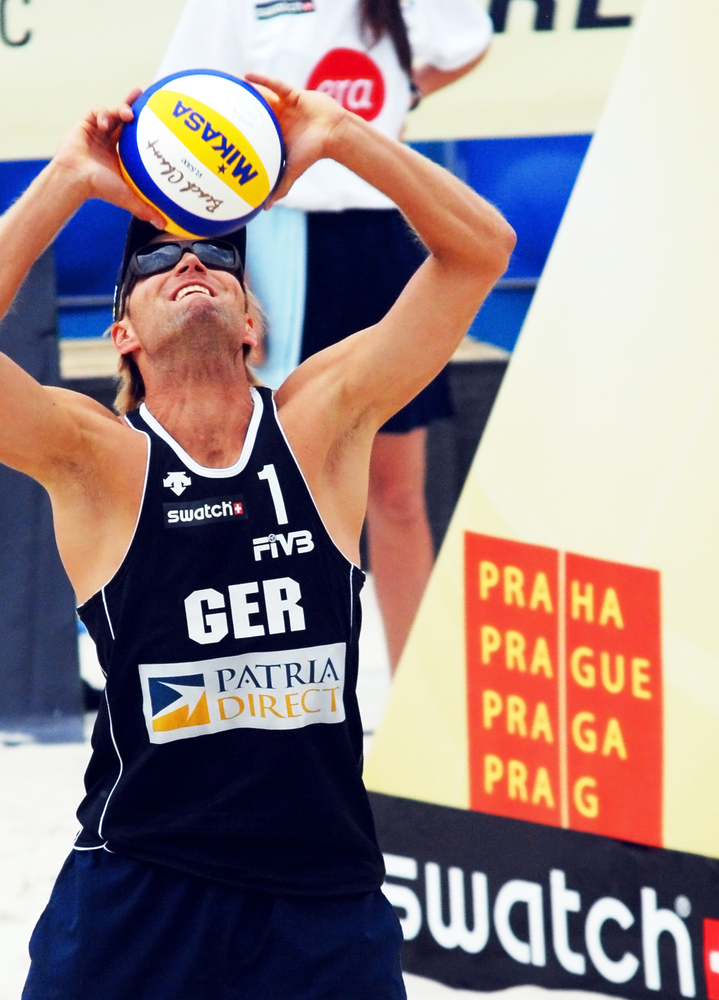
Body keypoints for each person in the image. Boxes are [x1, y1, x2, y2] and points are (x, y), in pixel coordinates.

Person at [0, 72, 513, 1000]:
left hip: (322, 898)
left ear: (253, 326)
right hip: (141, 888)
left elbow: (480, 252)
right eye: (155, 265)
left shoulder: (321, 426)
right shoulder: (98, 460)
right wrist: (69, 176)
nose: (189, 266)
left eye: (218, 261)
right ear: (123, 336)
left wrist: (339, 134)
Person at [158, 0, 493, 672]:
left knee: (397, 495)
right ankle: (269, 698)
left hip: (376, 240)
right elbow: (178, 106)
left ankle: (414, 711)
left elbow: (466, 42)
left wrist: (402, 93)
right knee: (263, 491)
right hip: (273, 240)